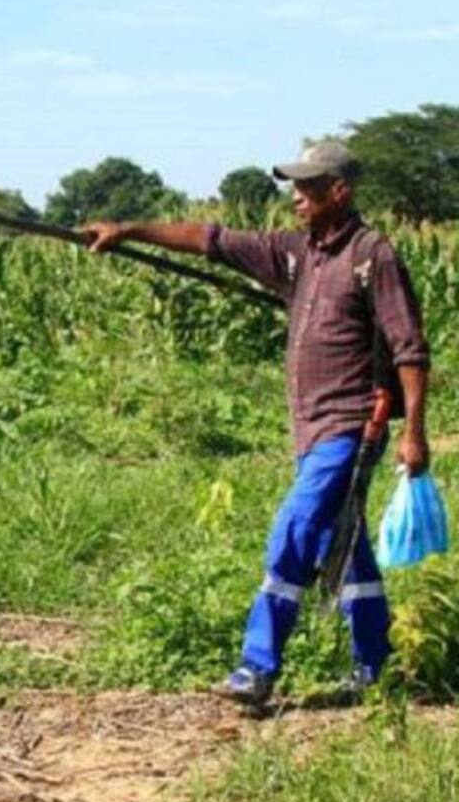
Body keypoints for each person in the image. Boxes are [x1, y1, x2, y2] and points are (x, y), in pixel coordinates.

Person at [81, 141, 430, 705]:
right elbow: (211, 240)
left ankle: (257, 666)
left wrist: (414, 433)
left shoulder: (372, 256)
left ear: (339, 192)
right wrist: (128, 231)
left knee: (292, 531)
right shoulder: (297, 254)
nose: (295, 198)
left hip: (349, 429)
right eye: (294, 187)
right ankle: (378, 668)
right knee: (342, 548)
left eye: (308, 188)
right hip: (308, 430)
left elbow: (410, 350)